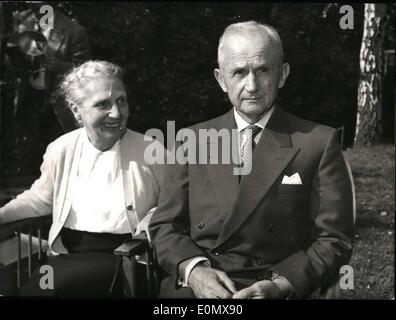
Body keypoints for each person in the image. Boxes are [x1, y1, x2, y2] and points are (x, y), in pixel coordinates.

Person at [149, 21, 354, 299]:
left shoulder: (317, 142)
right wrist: (195, 271)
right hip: (201, 286)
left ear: (282, 74)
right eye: (239, 72)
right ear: (221, 80)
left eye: (263, 70)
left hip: (276, 281)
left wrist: (283, 284)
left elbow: (334, 239)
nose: (252, 85)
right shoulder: (191, 140)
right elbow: (165, 226)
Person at [0, 60, 164, 297]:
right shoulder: (61, 148)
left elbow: (174, 204)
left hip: (126, 257)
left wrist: (150, 219)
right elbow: (40, 199)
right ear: (76, 110)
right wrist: (3, 215)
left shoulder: (153, 151)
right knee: (37, 287)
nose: (117, 113)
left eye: (121, 100)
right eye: (102, 104)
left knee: (53, 288)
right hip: (67, 256)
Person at [4, 2, 91, 173]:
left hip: (57, 102)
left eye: (38, 6)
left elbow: (85, 70)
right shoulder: (23, 23)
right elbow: (12, 57)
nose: (33, 11)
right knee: (29, 150)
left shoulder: (74, 31)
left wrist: (60, 66)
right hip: (30, 96)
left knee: (60, 152)